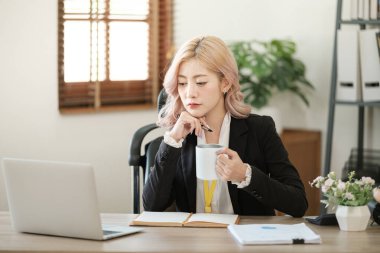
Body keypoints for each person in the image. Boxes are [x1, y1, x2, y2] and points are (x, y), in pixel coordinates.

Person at [143, 35, 308, 217]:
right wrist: (173, 139)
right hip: (192, 240)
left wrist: (245, 175)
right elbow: (152, 206)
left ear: (225, 83)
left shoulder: (259, 129)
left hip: (245, 240)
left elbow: (298, 203)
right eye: (182, 83)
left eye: (200, 82)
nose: (190, 93)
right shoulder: (178, 137)